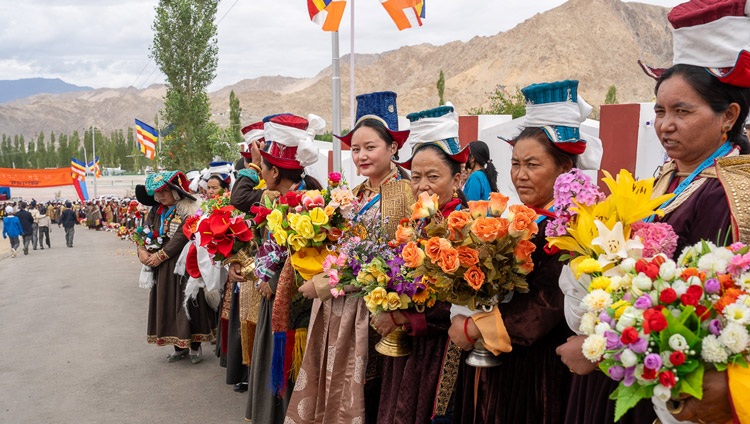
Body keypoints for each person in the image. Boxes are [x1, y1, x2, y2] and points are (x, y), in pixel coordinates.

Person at [558, 1, 750, 421]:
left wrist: (603, 353)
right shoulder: (666, 175)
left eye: (683, 111)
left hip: (667, 381)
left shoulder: (728, 192)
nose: (665, 124)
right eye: (661, 110)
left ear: (728, 116)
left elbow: (704, 311)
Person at [444, 80, 601, 424]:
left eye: (533, 165)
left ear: (564, 169)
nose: (520, 175)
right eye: (515, 164)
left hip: (538, 369)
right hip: (494, 362)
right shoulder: (517, 220)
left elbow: (548, 303)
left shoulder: (574, 229)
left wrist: (474, 329)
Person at [287, 91, 414, 424]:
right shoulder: (357, 192)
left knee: (368, 391)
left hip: (371, 312)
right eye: (355, 149)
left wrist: (328, 282)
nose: (360, 156)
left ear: (393, 148)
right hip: (341, 309)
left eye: (370, 147)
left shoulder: (402, 193)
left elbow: (390, 259)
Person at [377, 104, 469, 424]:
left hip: (442, 351)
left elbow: (459, 301)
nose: (422, 186)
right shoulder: (418, 223)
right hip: (411, 347)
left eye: (433, 176)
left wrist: (403, 316)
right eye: (416, 177)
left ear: (458, 178)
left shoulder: (465, 227)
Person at [240, 114, 324, 424]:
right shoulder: (279, 198)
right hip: (271, 294)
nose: (261, 174)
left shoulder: (306, 203)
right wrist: (251, 268)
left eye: (263, 168)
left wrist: (273, 279)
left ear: (275, 171)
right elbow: (268, 244)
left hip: (291, 301)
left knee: (290, 369)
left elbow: (306, 256)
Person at [135, 171, 216, 363]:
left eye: (165, 191)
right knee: (167, 304)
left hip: (184, 265)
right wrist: (141, 250)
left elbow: (181, 236)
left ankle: (195, 346)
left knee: (188, 303)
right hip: (162, 268)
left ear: (176, 191)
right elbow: (144, 230)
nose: (161, 196)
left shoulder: (188, 209)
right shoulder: (156, 211)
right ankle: (179, 347)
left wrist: (159, 256)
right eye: (158, 192)